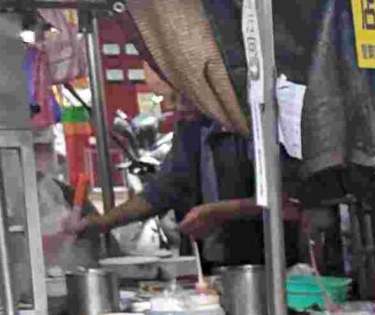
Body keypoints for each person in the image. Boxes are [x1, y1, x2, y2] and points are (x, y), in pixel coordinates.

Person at [79, 74, 294, 272]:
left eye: (184, 96)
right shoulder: (189, 130)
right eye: (169, 98)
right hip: (211, 266)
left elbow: (284, 201)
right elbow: (161, 192)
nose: (176, 106)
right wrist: (103, 222)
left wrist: (217, 211)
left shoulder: (250, 125)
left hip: (268, 264)